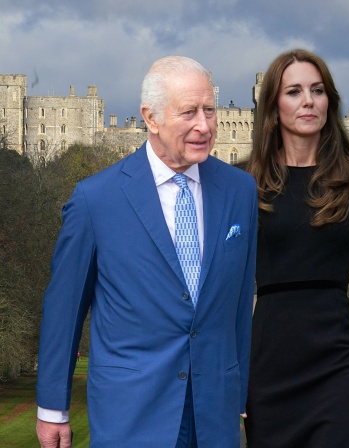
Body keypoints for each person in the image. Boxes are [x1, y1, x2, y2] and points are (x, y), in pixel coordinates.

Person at [36, 56, 258, 448]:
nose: (204, 126)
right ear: (150, 118)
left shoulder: (240, 191)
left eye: (210, 110)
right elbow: (64, 308)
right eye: (189, 112)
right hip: (130, 416)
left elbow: (238, 303)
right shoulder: (95, 199)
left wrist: (236, 392)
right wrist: (53, 408)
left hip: (214, 417)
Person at [244, 49, 349, 447]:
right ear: (272, 105)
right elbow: (224, 287)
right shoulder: (242, 183)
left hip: (338, 368)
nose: (308, 101)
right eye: (294, 91)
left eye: (317, 90)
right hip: (268, 370)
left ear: (329, 101)